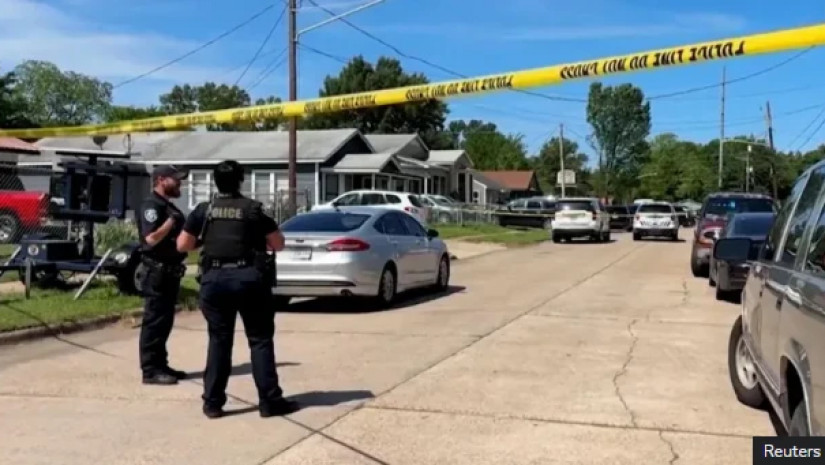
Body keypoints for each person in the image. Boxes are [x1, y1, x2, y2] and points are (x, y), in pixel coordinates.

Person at [176, 160, 299, 419]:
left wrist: (207, 241)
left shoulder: (204, 210)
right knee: (260, 340)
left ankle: (212, 403)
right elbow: (278, 244)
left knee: (219, 341)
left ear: (215, 182)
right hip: (249, 279)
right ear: (241, 181)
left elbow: (183, 245)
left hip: (215, 280)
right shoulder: (253, 210)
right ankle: (269, 402)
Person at [137, 165, 189, 385]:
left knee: (164, 322)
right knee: (154, 321)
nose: (179, 183)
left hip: (170, 272)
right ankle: (150, 370)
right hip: (156, 272)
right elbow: (151, 239)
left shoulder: (169, 207)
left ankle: (161, 364)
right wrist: (170, 223)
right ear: (160, 180)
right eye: (175, 179)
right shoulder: (152, 205)